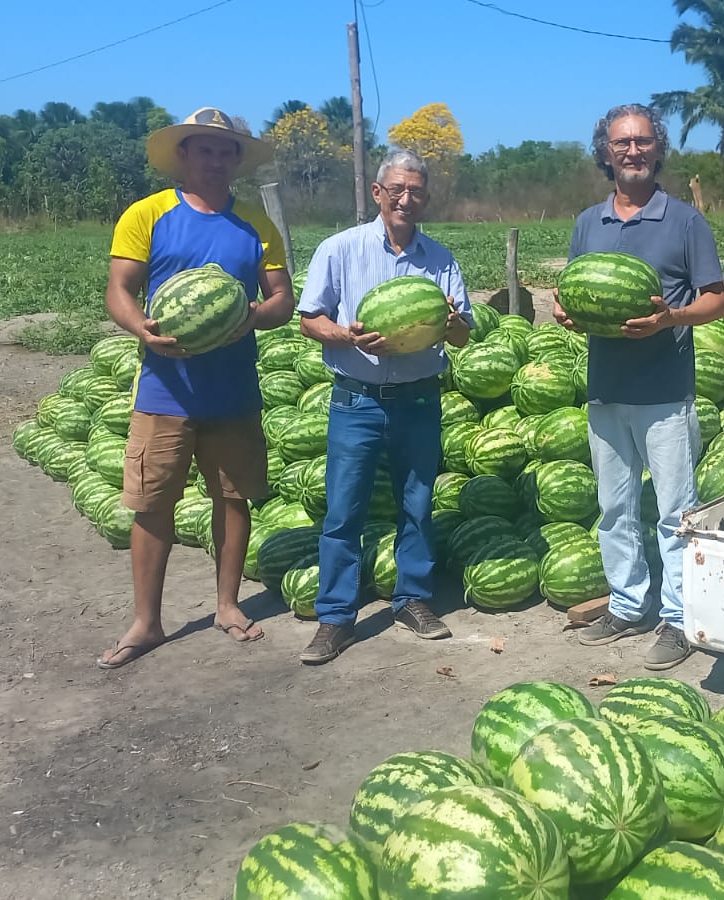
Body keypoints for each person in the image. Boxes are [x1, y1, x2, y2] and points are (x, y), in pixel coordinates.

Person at [97, 107, 295, 669]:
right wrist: (141, 329)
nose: (214, 159)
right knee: (151, 504)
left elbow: (282, 297)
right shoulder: (148, 213)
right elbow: (119, 287)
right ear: (183, 155)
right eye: (203, 149)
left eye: (224, 150)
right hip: (164, 391)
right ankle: (147, 622)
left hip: (233, 391)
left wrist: (252, 316)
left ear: (236, 160)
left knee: (233, 499)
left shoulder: (255, 222)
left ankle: (227, 605)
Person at [553, 103, 724, 670]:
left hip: (665, 390)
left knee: (676, 510)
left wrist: (669, 319)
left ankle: (680, 619)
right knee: (615, 507)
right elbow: (578, 291)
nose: (633, 151)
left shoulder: (684, 221)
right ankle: (629, 605)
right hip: (606, 387)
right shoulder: (587, 222)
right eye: (622, 142)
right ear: (605, 151)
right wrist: (567, 311)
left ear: (659, 150)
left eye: (644, 142)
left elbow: (716, 300)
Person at [296, 149, 473, 666]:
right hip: (357, 399)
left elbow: (461, 335)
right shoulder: (340, 248)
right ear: (378, 193)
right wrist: (346, 336)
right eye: (396, 188)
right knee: (343, 510)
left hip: (419, 399)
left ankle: (412, 600)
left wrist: (451, 322)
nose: (405, 198)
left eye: (415, 190)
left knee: (417, 506)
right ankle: (335, 618)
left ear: (424, 196)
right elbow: (310, 320)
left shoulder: (439, 258)